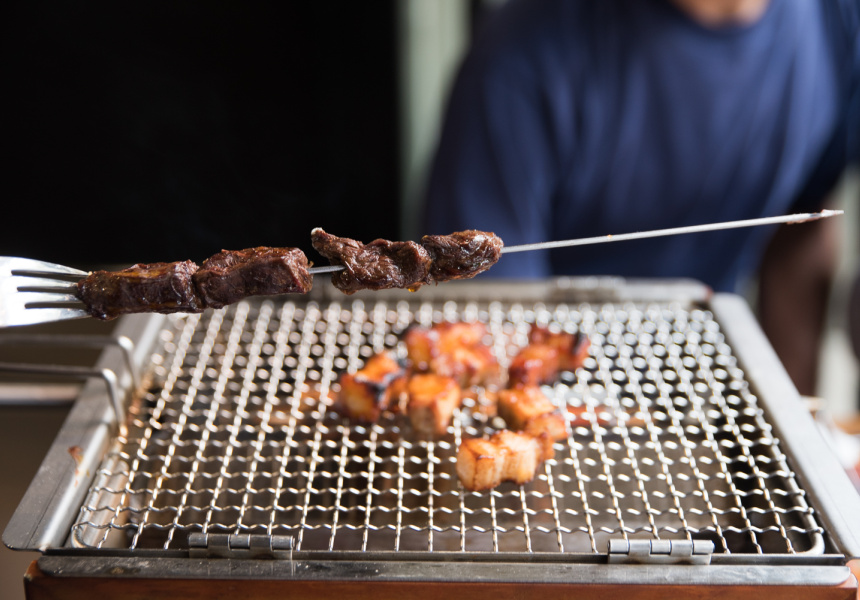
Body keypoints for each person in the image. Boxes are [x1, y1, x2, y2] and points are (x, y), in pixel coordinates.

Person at [423, 0, 859, 396]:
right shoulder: (518, 60)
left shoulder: (837, 22)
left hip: (706, 389)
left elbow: (803, 225)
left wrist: (791, 433)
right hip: (558, 395)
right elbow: (491, 332)